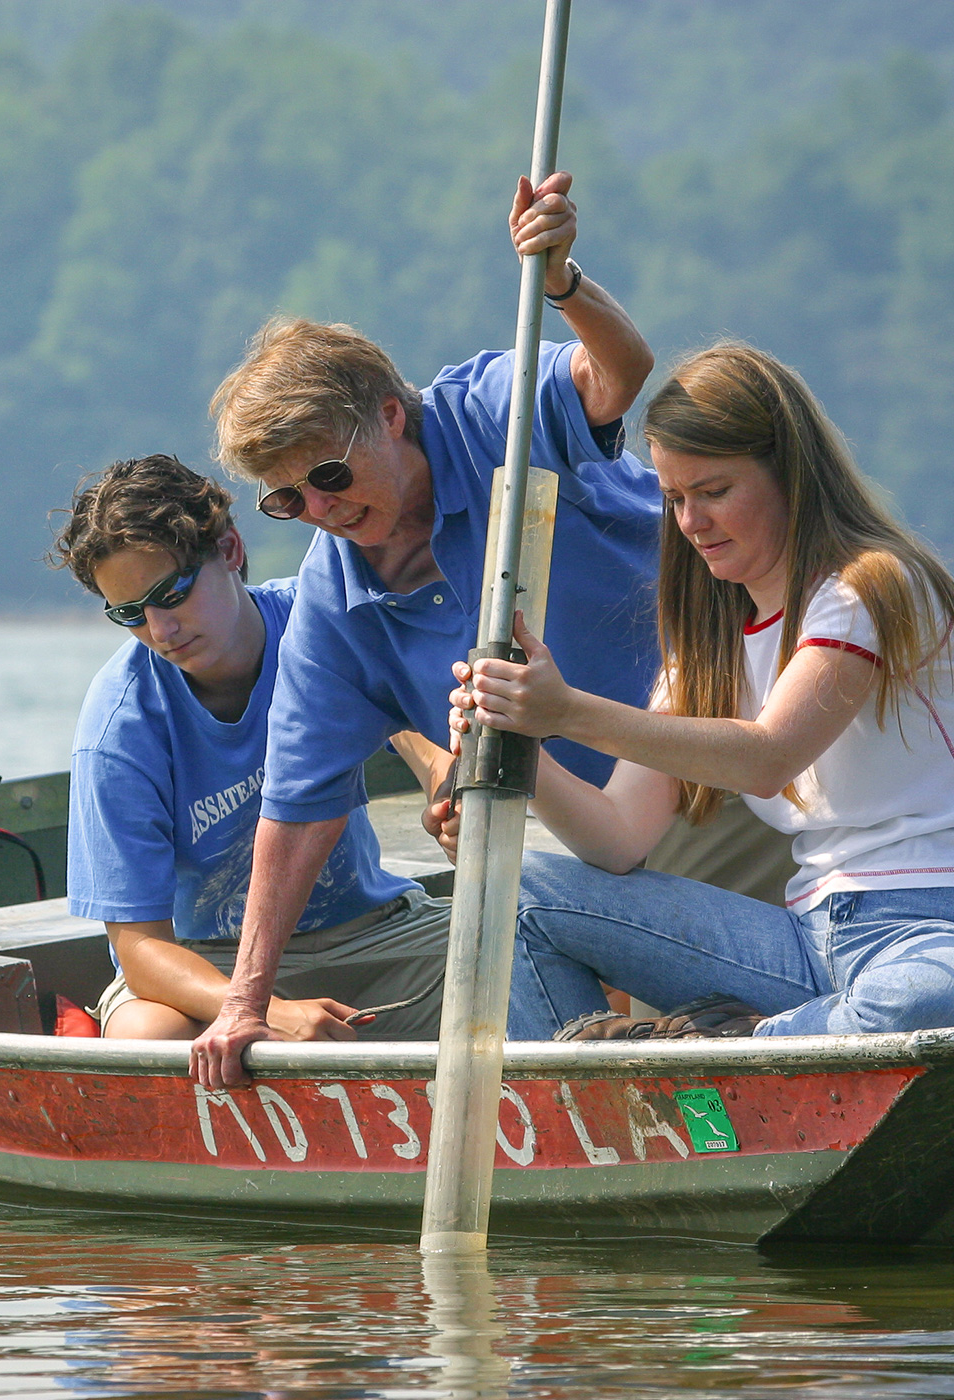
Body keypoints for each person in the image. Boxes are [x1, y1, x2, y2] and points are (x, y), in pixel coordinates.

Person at [192, 172, 660, 1086]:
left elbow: (620, 375)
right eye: (289, 500)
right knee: (498, 919)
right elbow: (295, 810)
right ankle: (580, 1119)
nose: (320, 509)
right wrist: (245, 1002)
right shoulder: (334, 606)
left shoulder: (492, 413)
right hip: (590, 827)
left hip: (708, 737)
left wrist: (561, 282)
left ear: (392, 416)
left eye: (330, 473)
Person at [450, 342, 954, 1040]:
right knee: (509, 895)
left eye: (714, 492)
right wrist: (517, 739)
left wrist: (563, 711)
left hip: (927, 928)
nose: (691, 524)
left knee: (922, 1001)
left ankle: (735, 1046)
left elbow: (767, 757)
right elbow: (619, 838)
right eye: (674, 498)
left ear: (790, 476)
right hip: (803, 940)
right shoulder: (704, 649)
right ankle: (610, 1124)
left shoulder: (872, 586)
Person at [52, 454, 454, 1041]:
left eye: (172, 593)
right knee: (147, 1035)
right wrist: (266, 1008)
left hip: (373, 932)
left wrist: (443, 776)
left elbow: (400, 716)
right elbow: (139, 947)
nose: (161, 630)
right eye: (131, 614)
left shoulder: (316, 619)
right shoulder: (119, 727)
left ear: (231, 550)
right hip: (208, 961)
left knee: (544, 945)